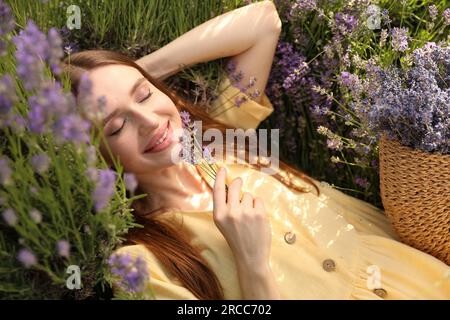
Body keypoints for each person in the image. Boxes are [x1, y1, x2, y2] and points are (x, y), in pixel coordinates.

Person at [62, 1, 449, 300]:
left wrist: (131, 71)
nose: (148, 120)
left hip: (422, 278)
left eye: (145, 95)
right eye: (116, 126)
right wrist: (251, 262)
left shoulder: (220, 136)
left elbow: (262, 21)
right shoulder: (140, 263)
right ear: (93, 158)